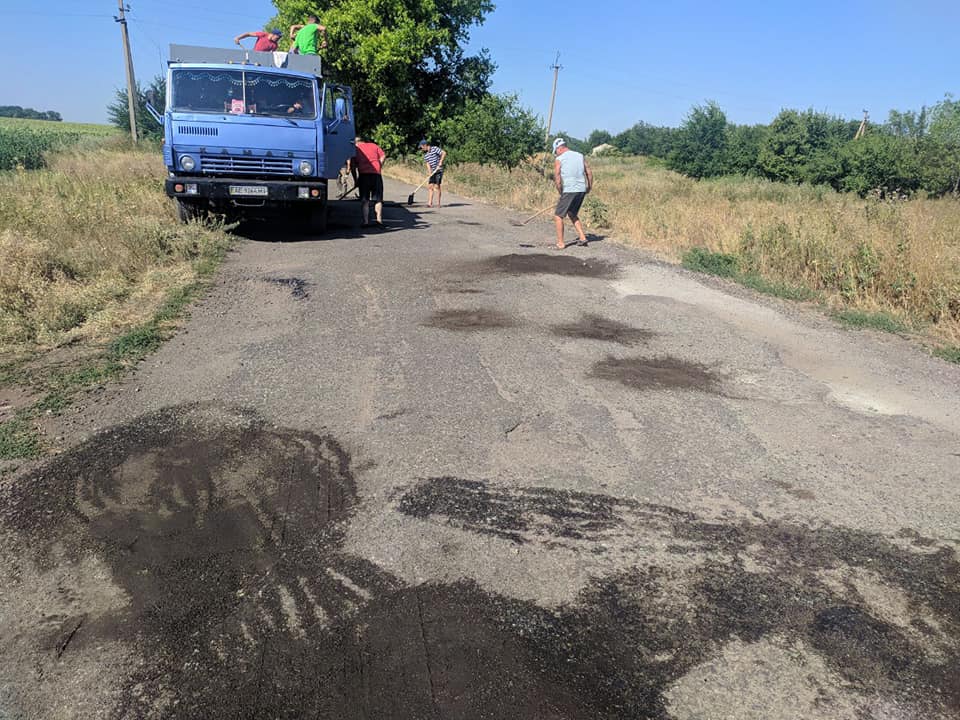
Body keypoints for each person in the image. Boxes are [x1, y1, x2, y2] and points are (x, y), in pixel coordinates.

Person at [552, 137, 593, 249]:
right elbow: (588, 171)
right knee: (572, 213)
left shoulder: (560, 158)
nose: (556, 154)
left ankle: (560, 243)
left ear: (559, 148)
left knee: (558, 216)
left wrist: (560, 191)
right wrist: (589, 186)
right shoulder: (580, 155)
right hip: (581, 189)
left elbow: (557, 176)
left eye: (555, 151)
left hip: (570, 190)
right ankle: (583, 237)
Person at [347, 137, 387, 228]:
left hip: (364, 175)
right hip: (376, 174)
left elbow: (353, 167)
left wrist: (356, 180)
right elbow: (383, 155)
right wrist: (379, 165)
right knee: (378, 199)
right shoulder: (374, 145)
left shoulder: (356, 149)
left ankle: (365, 222)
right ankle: (379, 220)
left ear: (357, 142)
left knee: (365, 200)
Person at [418, 140, 446, 208]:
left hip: (438, 170)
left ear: (425, 145)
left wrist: (440, 162)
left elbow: (444, 153)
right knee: (430, 186)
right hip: (433, 171)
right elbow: (428, 164)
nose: (421, 149)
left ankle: (438, 203)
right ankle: (429, 203)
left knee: (437, 186)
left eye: (421, 147)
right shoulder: (426, 155)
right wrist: (429, 172)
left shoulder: (435, 149)